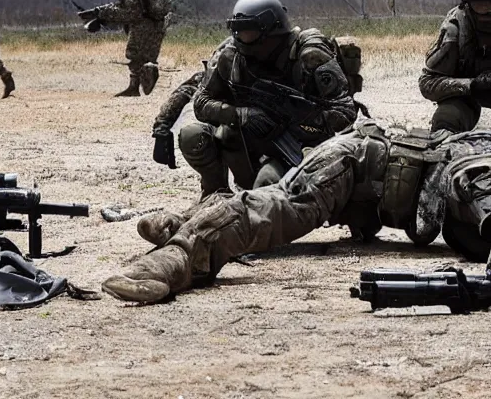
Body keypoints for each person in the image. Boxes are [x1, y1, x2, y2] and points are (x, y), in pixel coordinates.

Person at [102, 119, 491, 304]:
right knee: (276, 210)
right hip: (352, 166)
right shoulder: (482, 164)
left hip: (360, 179)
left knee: (272, 199)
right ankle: (170, 261)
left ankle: (179, 222)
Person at [177, 0, 360, 197]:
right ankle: (215, 193)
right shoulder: (230, 55)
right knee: (194, 136)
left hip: (297, 146)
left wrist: (302, 121)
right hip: (248, 137)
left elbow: (345, 112)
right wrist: (238, 114)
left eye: (248, 32)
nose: (240, 38)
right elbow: (201, 103)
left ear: (271, 30)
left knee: (265, 190)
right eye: (237, 31)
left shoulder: (309, 54)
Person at [78, 0, 171, 97]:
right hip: (159, 23)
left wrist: (101, 14)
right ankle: (140, 82)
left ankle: (137, 84)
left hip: (143, 24)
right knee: (148, 56)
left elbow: (130, 12)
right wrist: (100, 13)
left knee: (134, 55)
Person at [419, 0, 491, 133]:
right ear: (467, 3)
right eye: (481, 4)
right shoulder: (456, 28)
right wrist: (471, 85)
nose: (489, 11)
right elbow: (428, 83)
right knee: (446, 121)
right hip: (468, 95)